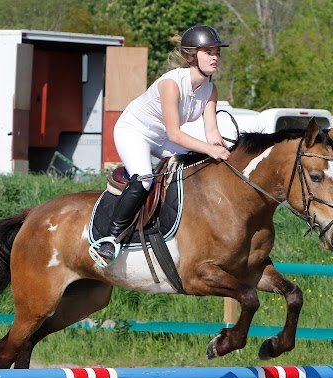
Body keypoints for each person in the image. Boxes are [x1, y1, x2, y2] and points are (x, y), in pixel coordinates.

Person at [90, 24, 231, 267]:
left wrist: (225, 151)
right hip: (134, 131)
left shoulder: (210, 89)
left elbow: (212, 133)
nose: (215, 56)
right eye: (208, 51)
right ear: (191, 55)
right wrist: (209, 149)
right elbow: (176, 134)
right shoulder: (171, 84)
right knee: (144, 178)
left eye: (216, 51)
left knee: (200, 163)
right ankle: (109, 239)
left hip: (161, 137)